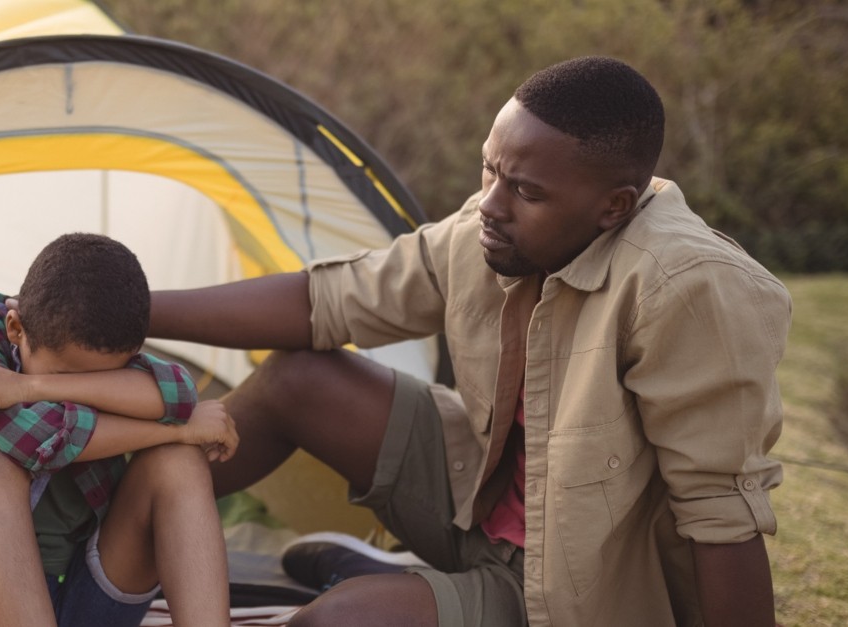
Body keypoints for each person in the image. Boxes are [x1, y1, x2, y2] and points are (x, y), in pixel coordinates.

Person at [148, 56, 790, 627]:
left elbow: (722, 520)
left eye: (525, 191)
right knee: (300, 381)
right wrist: (131, 312)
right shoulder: (497, 226)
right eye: (491, 171)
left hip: (570, 595)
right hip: (471, 506)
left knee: (341, 618)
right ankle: (116, 550)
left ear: (614, 207)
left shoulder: (687, 289)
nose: (490, 203)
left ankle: (408, 588)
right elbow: (329, 302)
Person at [0, 233, 239, 627]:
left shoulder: (92, 342)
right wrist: (175, 431)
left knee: (179, 462)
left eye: (105, 381)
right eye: (64, 375)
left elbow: (178, 392)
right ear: (15, 328)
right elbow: (36, 440)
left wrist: (32, 386)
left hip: (80, 594)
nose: (83, 392)